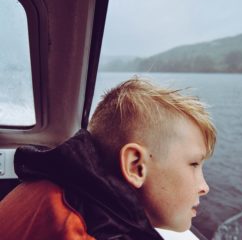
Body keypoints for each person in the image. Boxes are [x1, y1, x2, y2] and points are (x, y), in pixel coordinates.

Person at [0, 77, 216, 240]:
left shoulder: (53, 185)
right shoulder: (87, 232)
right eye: (194, 164)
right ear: (136, 166)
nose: (204, 187)